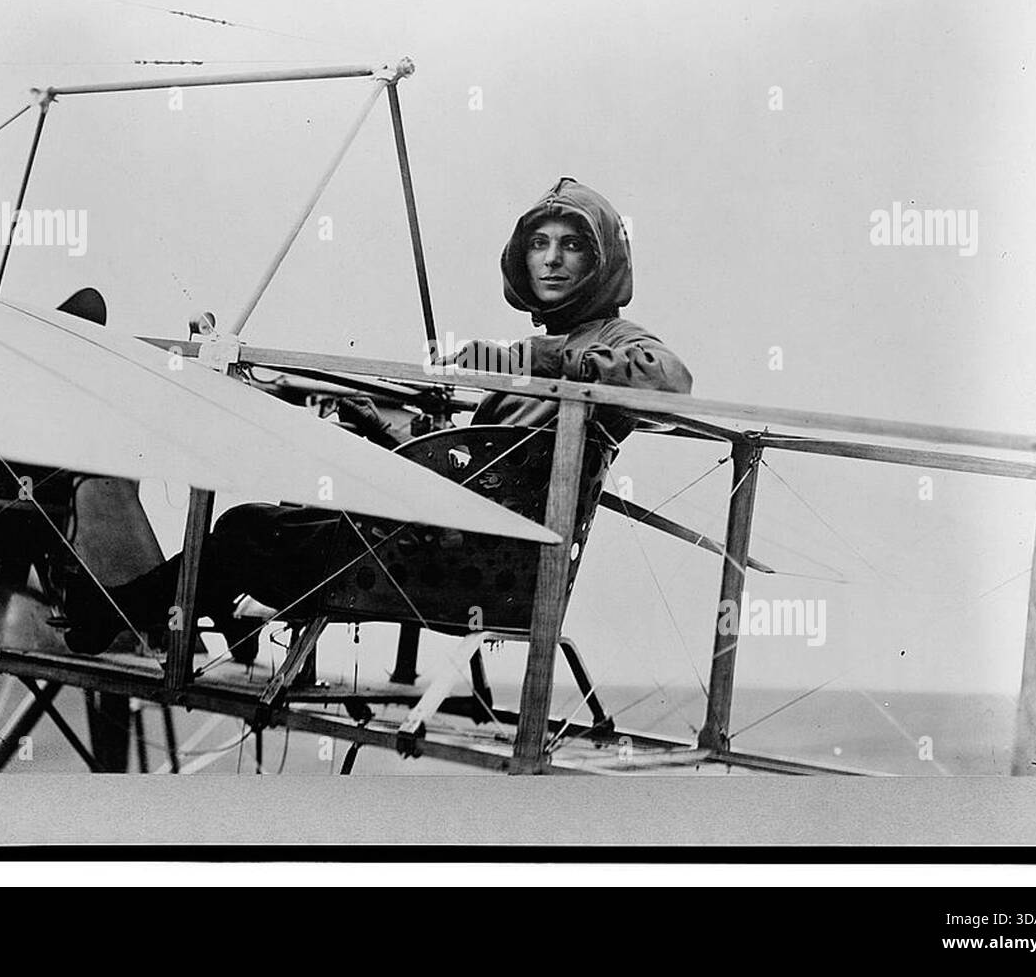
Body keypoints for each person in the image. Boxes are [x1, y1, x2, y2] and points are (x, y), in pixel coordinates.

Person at [59, 178, 692, 659]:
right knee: (268, 520)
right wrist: (378, 425)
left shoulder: (614, 338)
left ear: (603, 260)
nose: (551, 260)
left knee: (245, 531)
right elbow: (473, 463)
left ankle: (109, 613)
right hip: (456, 549)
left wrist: (528, 355)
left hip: (457, 563)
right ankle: (171, 612)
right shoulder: (560, 349)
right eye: (539, 244)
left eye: (573, 246)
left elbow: (672, 382)